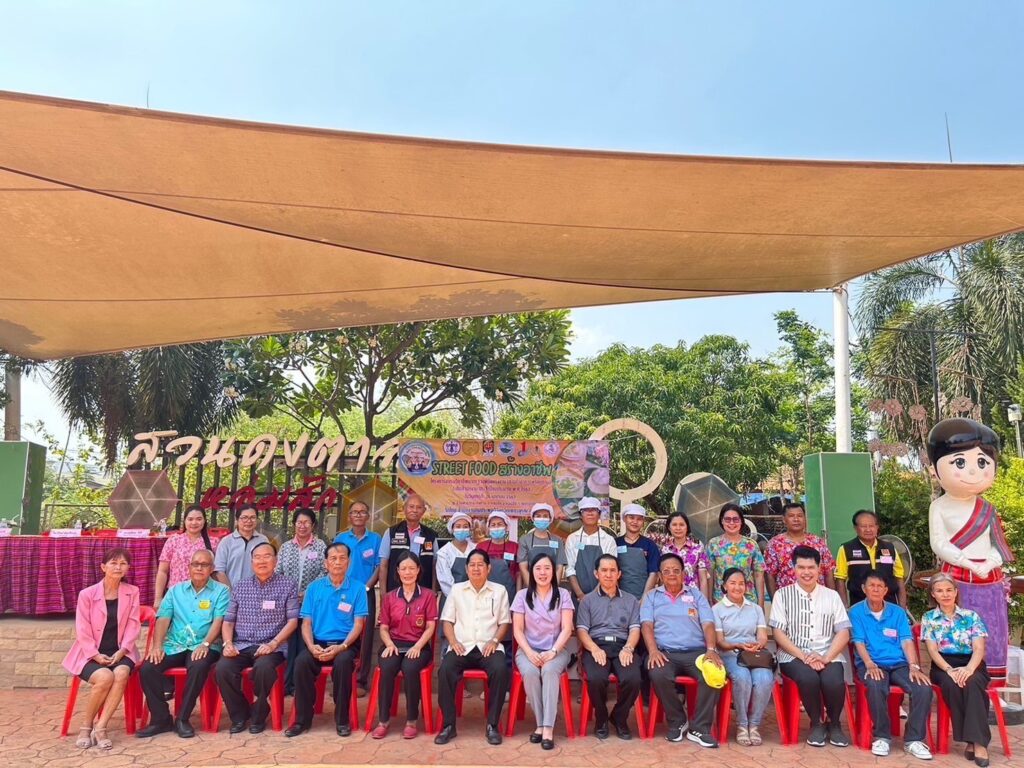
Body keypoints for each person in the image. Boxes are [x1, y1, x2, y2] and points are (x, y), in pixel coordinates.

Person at [927, 418, 1014, 682]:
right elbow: (939, 543)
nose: (974, 471)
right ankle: (960, 678)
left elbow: (999, 545)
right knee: (957, 633)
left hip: (990, 580)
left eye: (983, 463)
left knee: (992, 632)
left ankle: (994, 685)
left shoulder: (987, 509)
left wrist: (989, 563)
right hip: (957, 579)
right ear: (935, 469)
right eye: (960, 462)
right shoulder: (939, 506)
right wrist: (967, 562)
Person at [137, 548, 229, 739]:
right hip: (175, 644)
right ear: (189, 567)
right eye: (195, 564)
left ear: (212, 568)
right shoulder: (175, 591)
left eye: (204, 565)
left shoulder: (221, 591)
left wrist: (205, 644)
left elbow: (219, 621)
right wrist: (157, 646)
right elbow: (163, 618)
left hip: (205, 644)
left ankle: (182, 718)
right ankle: (161, 719)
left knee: (198, 666)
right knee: (148, 668)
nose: (199, 568)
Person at [770, 545, 851, 748]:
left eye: (811, 567)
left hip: (828, 653)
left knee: (833, 681)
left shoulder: (832, 596)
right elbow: (778, 633)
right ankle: (816, 723)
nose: (806, 572)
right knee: (808, 678)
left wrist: (826, 657)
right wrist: (804, 656)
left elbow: (843, 632)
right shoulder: (782, 595)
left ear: (819, 568)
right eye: (801, 567)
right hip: (793, 655)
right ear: (794, 569)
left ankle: (834, 724)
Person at [62, 548, 142, 750]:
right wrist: (95, 655)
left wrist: (123, 651)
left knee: (121, 673)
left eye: (123, 563)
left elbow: (134, 625)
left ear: (128, 568)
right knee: (105, 677)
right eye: (113, 563)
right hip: (90, 653)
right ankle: (86, 726)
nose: (118, 567)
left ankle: (101, 727)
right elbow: (82, 629)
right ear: (103, 567)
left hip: (121, 651)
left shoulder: (132, 592)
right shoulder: (87, 594)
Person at [642, 552, 724, 748]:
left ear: (684, 574)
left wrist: (711, 649)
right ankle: (677, 720)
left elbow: (708, 623)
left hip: (696, 652)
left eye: (676, 570)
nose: (671, 574)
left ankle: (700, 728)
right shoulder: (651, 597)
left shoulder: (696, 595)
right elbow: (646, 625)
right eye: (666, 571)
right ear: (660, 576)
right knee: (657, 672)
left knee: (714, 672)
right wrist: (653, 651)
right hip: (665, 653)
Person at [286, 542, 368, 737]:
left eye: (342, 558)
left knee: (343, 663)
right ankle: (302, 720)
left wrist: (342, 647)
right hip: (318, 642)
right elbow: (306, 623)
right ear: (326, 563)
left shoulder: (358, 589)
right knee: (301, 662)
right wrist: (311, 646)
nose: (337, 562)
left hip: (345, 643)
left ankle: (342, 720)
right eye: (333, 558)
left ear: (349, 562)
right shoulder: (314, 588)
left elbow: (358, 625)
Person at [216, 542, 299, 734]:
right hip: (242, 645)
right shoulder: (240, 586)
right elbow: (228, 622)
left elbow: (293, 621)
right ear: (251, 562)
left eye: (267, 556)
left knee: (264, 668)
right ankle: (240, 714)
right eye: (257, 557)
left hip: (272, 646)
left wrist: (273, 643)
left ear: (276, 561)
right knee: (222, 669)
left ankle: (259, 713)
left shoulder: (288, 585)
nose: (262, 561)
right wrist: (227, 643)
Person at [849, 570, 933, 760]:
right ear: (864, 588)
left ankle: (913, 740)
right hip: (871, 663)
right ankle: (882, 737)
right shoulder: (856, 612)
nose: (876, 589)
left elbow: (906, 640)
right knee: (875, 685)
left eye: (880, 586)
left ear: (886, 590)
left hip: (899, 664)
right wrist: (869, 664)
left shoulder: (897, 612)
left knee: (923, 688)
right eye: (872, 585)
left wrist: (914, 666)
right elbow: (858, 641)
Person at [434, 550, 512, 746]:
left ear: (488, 568)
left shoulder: (499, 591)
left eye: (480, 564)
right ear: (466, 569)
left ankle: (492, 725)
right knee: (445, 670)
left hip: (489, 647)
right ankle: (448, 725)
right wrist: (453, 642)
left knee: (501, 670)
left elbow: (504, 622)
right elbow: (447, 621)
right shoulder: (457, 590)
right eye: (472, 565)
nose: (476, 568)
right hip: (462, 646)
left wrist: (495, 640)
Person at [921, 572, 993, 767]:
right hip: (943, 665)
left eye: (949, 590)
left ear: (955, 592)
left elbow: (979, 648)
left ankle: (978, 743)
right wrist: (949, 670)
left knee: (973, 683)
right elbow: (932, 650)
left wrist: (969, 669)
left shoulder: (971, 616)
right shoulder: (929, 618)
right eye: (939, 591)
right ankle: (972, 739)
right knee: (952, 686)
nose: (945, 594)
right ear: (933, 594)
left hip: (972, 662)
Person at [371, 551, 438, 740]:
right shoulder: (390, 597)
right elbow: (384, 627)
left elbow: (430, 627)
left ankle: (411, 720)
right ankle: (383, 720)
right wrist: (388, 644)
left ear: (418, 570)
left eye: (411, 568)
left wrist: (418, 646)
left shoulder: (428, 596)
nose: (407, 572)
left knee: (410, 668)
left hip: (418, 646)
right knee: (387, 668)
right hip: (393, 644)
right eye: (404, 568)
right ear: (398, 571)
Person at [511, 551, 575, 750]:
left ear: (554, 571)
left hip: (556, 650)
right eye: (538, 568)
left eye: (547, 568)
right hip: (527, 649)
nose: (543, 572)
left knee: (548, 670)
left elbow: (567, 629)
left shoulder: (563, 595)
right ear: (531, 572)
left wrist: (553, 651)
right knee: (530, 672)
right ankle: (540, 723)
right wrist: (530, 652)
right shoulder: (522, 596)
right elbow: (517, 630)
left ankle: (548, 728)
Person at [576, 554, 642, 740]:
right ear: (596, 574)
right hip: (596, 645)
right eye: (604, 570)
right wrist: (594, 649)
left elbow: (635, 629)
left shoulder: (631, 600)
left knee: (633, 679)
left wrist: (628, 648)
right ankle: (601, 718)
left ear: (619, 574)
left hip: (622, 645)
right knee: (596, 678)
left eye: (613, 570)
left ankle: (619, 717)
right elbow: (582, 630)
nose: (608, 574)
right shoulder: (587, 601)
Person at [714, 566, 773, 747]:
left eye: (741, 583)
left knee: (765, 678)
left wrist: (758, 644)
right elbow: (720, 642)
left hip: (753, 654)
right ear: (724, 586)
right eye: (732, 583)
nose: (737, 587)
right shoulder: (717, 609)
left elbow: (762, 636)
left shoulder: (755, 609)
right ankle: (742, 724)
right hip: (730, 654)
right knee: (742, 677)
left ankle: (754, 725)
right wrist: (737, 645)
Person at [276, 507, 327, 695]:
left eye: (306, 522)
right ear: (294, 524)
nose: (302, 526)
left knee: (305, 642)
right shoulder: (286, 547)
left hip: (312, 602)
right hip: (288, 603)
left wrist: (308, 592)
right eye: (299, 522)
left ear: (313, 525)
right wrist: (290, 593)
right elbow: (278, 572)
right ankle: (286, 683)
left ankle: (300, 685)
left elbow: (325, 571)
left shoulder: (320, 546)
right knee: (290, 643)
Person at [334, 501, 382, 697]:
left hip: (365, 592)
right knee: (341, 631)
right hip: (342, 592)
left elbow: (379, 566)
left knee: (365, 636)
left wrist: (367, 587)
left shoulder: (376, 539)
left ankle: (360, 680)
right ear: (349, 516)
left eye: (362, 512)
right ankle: (340, 679)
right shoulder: (341, 538)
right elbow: (334, 564)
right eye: (355, 512)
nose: (358, 515)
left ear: (368, 516)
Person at [835, 509, 906, 609]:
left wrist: (902, 607)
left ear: (877, 527)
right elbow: (840, 579)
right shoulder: (846, 549)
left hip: (889, 604)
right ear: (855, 528)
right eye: (863, 526)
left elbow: (899, 578)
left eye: (871, 526)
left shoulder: (890, 548)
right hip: (859, 605)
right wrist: (844, 608)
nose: (868, 529)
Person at [153, 504, 218, 610]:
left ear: (204, 521)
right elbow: (162, 571)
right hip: (176, 595)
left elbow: (216, 572)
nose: (194, 523)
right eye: (190, 519)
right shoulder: (174, 540)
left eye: (199, 519)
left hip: (203, 595)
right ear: (185, 521)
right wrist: (158, 598)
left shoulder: (213, 542)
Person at [764, 502, 835, 595]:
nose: (796, 519)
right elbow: (769, 575)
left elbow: (828, 572)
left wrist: (831, 597)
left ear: (805, 518)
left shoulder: (818, 542)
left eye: (800, 516)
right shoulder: (774, 544)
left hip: (818, 597)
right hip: (788, 598)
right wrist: (775, 600)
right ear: (784, 519)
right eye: (791, 516)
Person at [705, 503, 766, 610]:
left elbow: (758, 575)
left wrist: (761, 605)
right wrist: (709, 600)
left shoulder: (751, 545)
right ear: (722, 521)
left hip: (748, 600)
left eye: (735, 519)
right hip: (721, 601)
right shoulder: (713, 544)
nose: (732, 523)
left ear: (741, 521)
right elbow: (709, 574)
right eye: (727, 519)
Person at [380, 493, 437, 593]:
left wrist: (434, 591)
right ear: (404, 508)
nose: (414, 510)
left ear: (424, 511)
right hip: (395, 590)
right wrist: (383, 593)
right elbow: (383, 565)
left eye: (419, 507)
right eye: (411, 506)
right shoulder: (391, 532)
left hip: (423, 590)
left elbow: (435, 566)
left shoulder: (431, 535)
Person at [565, 497, 618, 604]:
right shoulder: (572, 539)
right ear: (580, 515)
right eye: (585, 510)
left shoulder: (608, 540)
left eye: (593, 510)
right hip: (578, 598)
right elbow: (569, 569)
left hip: (604, 596)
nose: (590, 513)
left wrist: (595, 595)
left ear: (599, 514)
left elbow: (610, 570)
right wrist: (580, 595)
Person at [213, 503, 270, 588]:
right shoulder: (226, 542)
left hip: (258, 591)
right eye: (244, 517)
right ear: (237, 520)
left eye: (253, 517)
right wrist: (230, 592)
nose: (249, 521)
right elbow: (219, 571)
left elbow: (268, 567)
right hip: (231, 591)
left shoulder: (263, 540)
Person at [660, 511, 711, 600]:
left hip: (693, 598)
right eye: (674, 525)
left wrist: (704, 603)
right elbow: (662, 579)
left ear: (687, 527)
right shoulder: (664, 550)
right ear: (669, 527)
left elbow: (703, 579)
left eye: (682, 525)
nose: (678, 528)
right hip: (670, 598)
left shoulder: (698, 549)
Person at [614, 503, 660, 599]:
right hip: (619, 596)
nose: (635, 522)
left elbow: (653, 573)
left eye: (639, 519)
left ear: (643, 522)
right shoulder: (615, 543)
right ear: (624, 519)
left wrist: (644, 599)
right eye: (631, 518)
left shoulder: (650, 545)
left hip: (643, 596)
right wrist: (618, 597)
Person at [475, 511, 519, 602]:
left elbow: (519, 574)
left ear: (506, 527)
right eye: (493, 525)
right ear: (489, 528)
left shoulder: (515, 547)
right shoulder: (481, 546)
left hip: (509, 593)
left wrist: (518, 596)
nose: (496, 527)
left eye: (500, 524)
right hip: (485, 593)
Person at [517, 503, 567, 584]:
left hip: (552, 584)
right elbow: (523, 568)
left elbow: (559, 567)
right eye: (538, 516)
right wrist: (532, 588)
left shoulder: (557, 540)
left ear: (550, 519)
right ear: (533, 518)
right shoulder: (525, 540)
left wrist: (554, 588)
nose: (542, 519)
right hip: (531, 585)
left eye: (545, 516)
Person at [435, 512, 473, 600]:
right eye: (458, 526)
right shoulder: (444, 552)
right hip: (451, 599)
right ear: (452, 529)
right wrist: (459, 599)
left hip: (473, 598)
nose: (462, 529)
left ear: (469, 529)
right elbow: (445, 581)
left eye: (465, 526)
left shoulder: (475, 548)